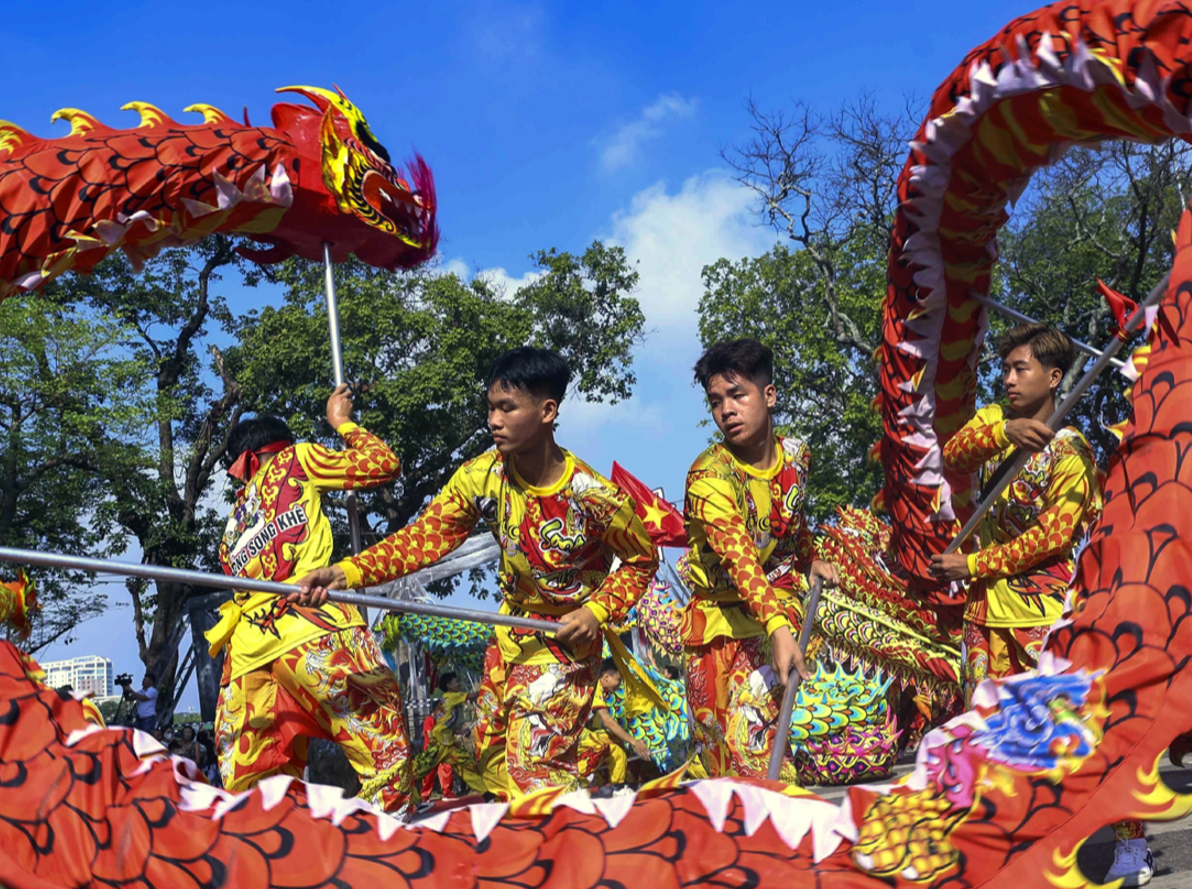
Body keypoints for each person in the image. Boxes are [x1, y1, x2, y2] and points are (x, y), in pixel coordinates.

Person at [297, 347, 658, 798]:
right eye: (490, 407)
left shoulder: (595, 497)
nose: (493, 420)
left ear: (547, 411)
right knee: (488, 759)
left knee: (535, 772)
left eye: (507, 408)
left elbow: (643, 559)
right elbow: (423, 538)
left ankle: (562, 840)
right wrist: (345, 573)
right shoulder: (479, 477)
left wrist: (597, 611)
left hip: (566, 648)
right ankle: (582, 779)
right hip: (510, 638)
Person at [926, 324, 1118, 873]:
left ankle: (1129, 837)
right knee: (985, 730)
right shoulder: (995, 423)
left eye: (1021, 369)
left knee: (1072, 732)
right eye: (1004, 369)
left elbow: (1055, 537)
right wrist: (1004, 434)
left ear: (1054, 378)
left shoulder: (1072, 451)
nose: (1008, 379)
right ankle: (1006, 842)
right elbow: (955, 453)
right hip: (984, 617)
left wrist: (974, 563)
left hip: (1044, 616)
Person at [208, 383, 415, 812]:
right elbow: (383, 465)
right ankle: (390, 858)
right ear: (274, 448)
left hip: (245, 661)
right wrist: (341, 422)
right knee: (385, 754)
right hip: (312, 631)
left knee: (256, 802)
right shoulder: (296, 458)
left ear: (246, 461)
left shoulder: (230, 526)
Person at [682, 338, 839, 781]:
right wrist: (777, 625)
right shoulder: (709, 475)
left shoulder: (796, 457)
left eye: (738, 395)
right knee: (719, 770)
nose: (726, 410)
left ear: (769, 396)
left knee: (762, 757)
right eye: (716, 401)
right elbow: (739, 558)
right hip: (716, 631)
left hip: (774, 622)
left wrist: (810, 558)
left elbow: (792, 518)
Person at [579, 658, 654, 786]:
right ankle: (614, 788)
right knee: (613, 746)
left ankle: (614, 787)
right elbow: (607, 720)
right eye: (618, 680)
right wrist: (634, 742)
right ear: (606, 677)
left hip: (579, 737)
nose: (619, 685)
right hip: (572, 739)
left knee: (616, 744)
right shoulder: (595, 686)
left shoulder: (598, 690)